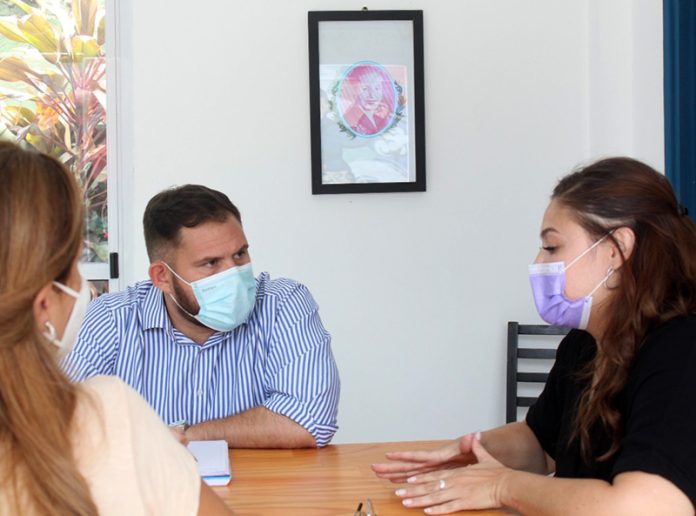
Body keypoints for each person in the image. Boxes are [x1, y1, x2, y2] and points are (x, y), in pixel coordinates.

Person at [372, 157, 696, 515]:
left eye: (552, 247)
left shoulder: (680, 350)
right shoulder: (584, 344)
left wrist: (501, 486)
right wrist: (471, 453)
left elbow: (648, 507)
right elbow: (542, 445)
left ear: (616, 249)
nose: (539, 263)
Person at [0, 141, 231, 515]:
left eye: (239, 255)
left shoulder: (284, 301)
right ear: (44, 304)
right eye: (75, 265)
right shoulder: (106, 415)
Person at [64, 184, 340, 448]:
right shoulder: (111, 319)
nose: (233, 274)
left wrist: (188, 435)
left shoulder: (283, 304)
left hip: (261, 482)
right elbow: (63, 422)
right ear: (162, 277)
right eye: (211, 263)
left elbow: (311, 421)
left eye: (240, 254)